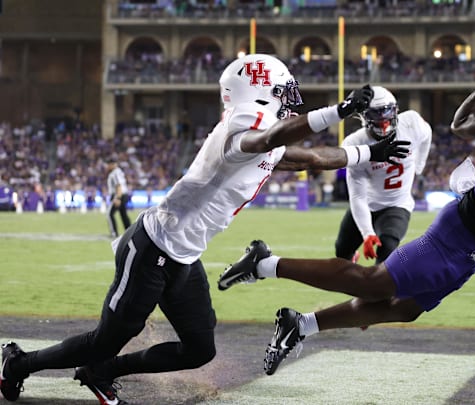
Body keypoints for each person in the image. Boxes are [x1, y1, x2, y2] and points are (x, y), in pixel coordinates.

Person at [217, 33, 475, 376]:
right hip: (465, 232)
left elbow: (458, 123)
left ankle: (300, 324)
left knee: (405, 309)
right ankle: (265, 263)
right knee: (373, 283)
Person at [0, 54, 409, 404]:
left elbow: (313, 159)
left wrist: (367, 152)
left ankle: (100, 372)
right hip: (152, 249)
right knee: (106, 338)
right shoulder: (239, 135)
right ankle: (19, 362)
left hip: (184, 256)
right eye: (283, 92)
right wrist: (337, 111)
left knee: (199, 348)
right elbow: (272, 136)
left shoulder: (264, 135)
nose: (289, 101)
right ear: (258, 92)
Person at [334, 86, 432, 263]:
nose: (383, 119)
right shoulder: (354, 143)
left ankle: (377, 288)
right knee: (342, 251)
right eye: (376, 114)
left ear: (395, 110)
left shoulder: (411, 123)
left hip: (397, 204)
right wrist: (368, 233)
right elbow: (357, 196)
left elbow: (427, 134)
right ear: (364, 116)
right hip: (368, 204)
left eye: (386, 111)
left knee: (387, 246)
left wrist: (420, 164)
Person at [106, 158, 132, 238]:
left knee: (109, 214)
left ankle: (114, 233)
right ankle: (130, 232)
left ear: (112, 164)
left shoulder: (114, 173)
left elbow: (118, 185)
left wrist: (118, 198)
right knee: (123, 214)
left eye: (108, 165)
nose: (107, 167)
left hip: (119, 195)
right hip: (123, 194)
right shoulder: (119, 172)